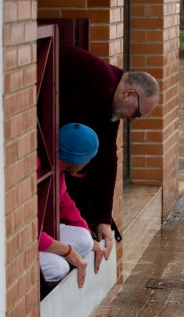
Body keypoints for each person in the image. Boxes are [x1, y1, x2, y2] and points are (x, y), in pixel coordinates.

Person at [59, 45, 160, 261]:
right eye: (137, 113)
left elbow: (107, 156)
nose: (132, 119)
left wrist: (103, 217)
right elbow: (64, 145)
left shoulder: (110, 92)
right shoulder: (98, 85)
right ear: (130, 93)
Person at [39, 123, 107, 288]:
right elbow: (26, 233)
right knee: (58, 267)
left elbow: (65, 203)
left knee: (84, 240)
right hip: (23, 241)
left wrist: (91, 239)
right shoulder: (40, 171)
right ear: (80, 160)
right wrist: (67, 251)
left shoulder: (57, 168)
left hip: (40, 235)